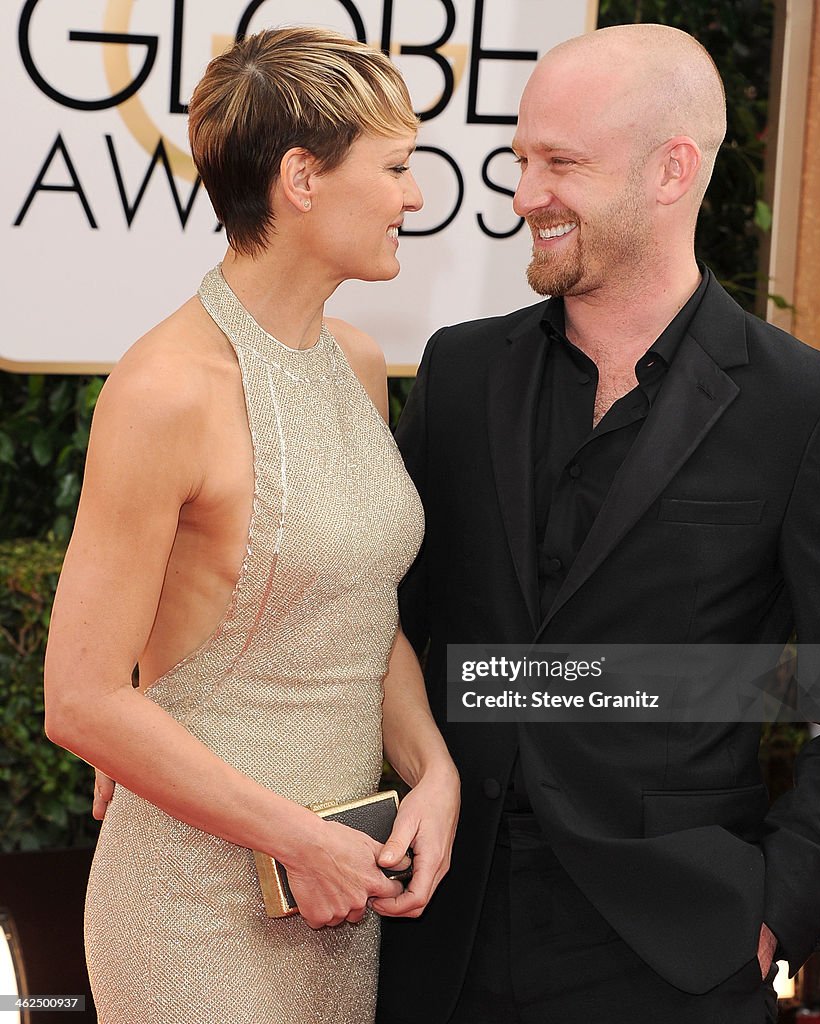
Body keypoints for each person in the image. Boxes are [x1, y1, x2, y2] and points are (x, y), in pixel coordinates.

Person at [377, 23, 820, 1024]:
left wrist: (779, 910)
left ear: (670, 170)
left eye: (560, 161)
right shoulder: (461, 374)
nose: (523, 194)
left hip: (670, 954)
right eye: (520, 159)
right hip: (436, 928)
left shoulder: (805, 409)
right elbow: (382, 626)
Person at [43, 27, 459, 1024]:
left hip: (335, 887)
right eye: (396, 167)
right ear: (302, 178)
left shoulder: (354, 362)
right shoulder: (166, 391)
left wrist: (432, 771)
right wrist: (293, 834)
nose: (413, 197)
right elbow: (82, 701)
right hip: (194, 901)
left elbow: (356, 611)